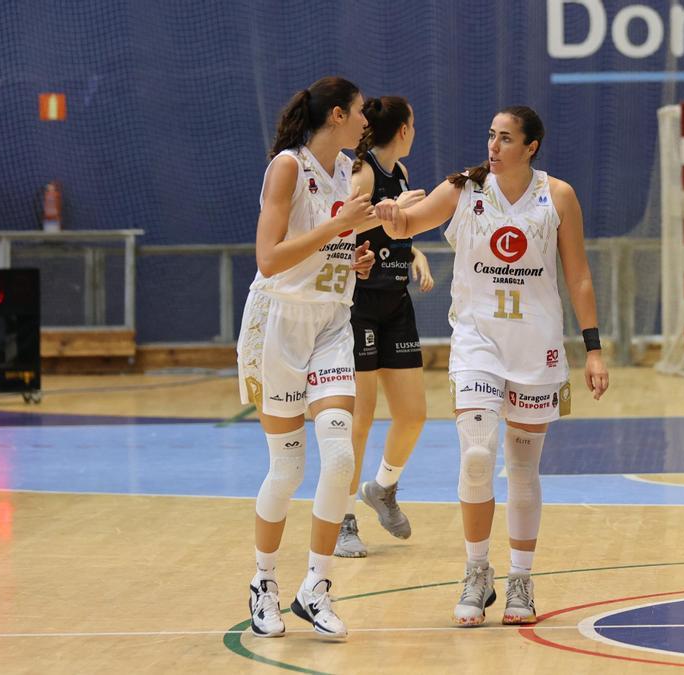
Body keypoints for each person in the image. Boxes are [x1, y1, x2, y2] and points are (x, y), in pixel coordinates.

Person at [374, 106, 609, 626]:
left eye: (506, 139)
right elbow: (410, 222)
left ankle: (521, 580)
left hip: (537, 348)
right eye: (490, 136)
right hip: (478, 342)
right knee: (478, 455)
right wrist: (392, 217)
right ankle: (476, 574)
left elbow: (580, 277)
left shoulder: (558, 196)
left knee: (523, 470)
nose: (494, 146)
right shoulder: (464, 189)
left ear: (531, 147)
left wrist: (593, 348)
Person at [239, 76, 379, 640]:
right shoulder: (287, 168)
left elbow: (332, 240)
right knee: (289, 468)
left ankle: (315, 587)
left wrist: (354, 255)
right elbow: (270, 258)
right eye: (362, 112)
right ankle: (264, 581)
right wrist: (337, 229)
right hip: (277, 324)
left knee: (341, 457)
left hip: (330, 322)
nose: (368, 121)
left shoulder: (346, 170)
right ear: (339, 115)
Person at [333, 96, 432, 558]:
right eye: (413, 123)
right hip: (360, 306)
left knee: (413, 414)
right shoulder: (364, 171)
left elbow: (393, 231)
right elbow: (341, 225)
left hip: (396, 304)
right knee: (361, 420)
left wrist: (416, 254)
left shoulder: (401, 175)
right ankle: (341, 518)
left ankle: (382, 488)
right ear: (404, 130)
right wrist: (389, 207)